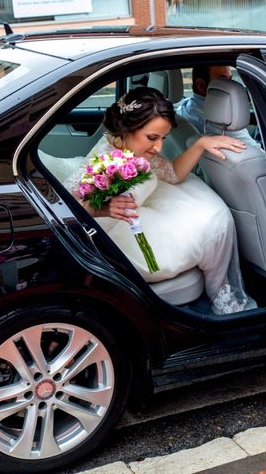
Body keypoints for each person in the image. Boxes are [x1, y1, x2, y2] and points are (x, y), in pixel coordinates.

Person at [74, 86, 252, 315]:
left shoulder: (135, 148)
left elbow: (173, 175)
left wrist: (200, 143)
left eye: (163, 138)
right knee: (208, 226)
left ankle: (219, 291)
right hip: (114, 240)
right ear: (128, 128)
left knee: (213, 220)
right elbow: (70, 207)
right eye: (152, 137)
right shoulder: (104, 160)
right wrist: (102, 208)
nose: (159, 147)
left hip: (140, 214)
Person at [177, 65, 259, 147]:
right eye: (223, 80)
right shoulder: (222, 123)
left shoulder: (186, 106)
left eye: (230, 79)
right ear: (201, 85)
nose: (231, 86)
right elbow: (259, 153)